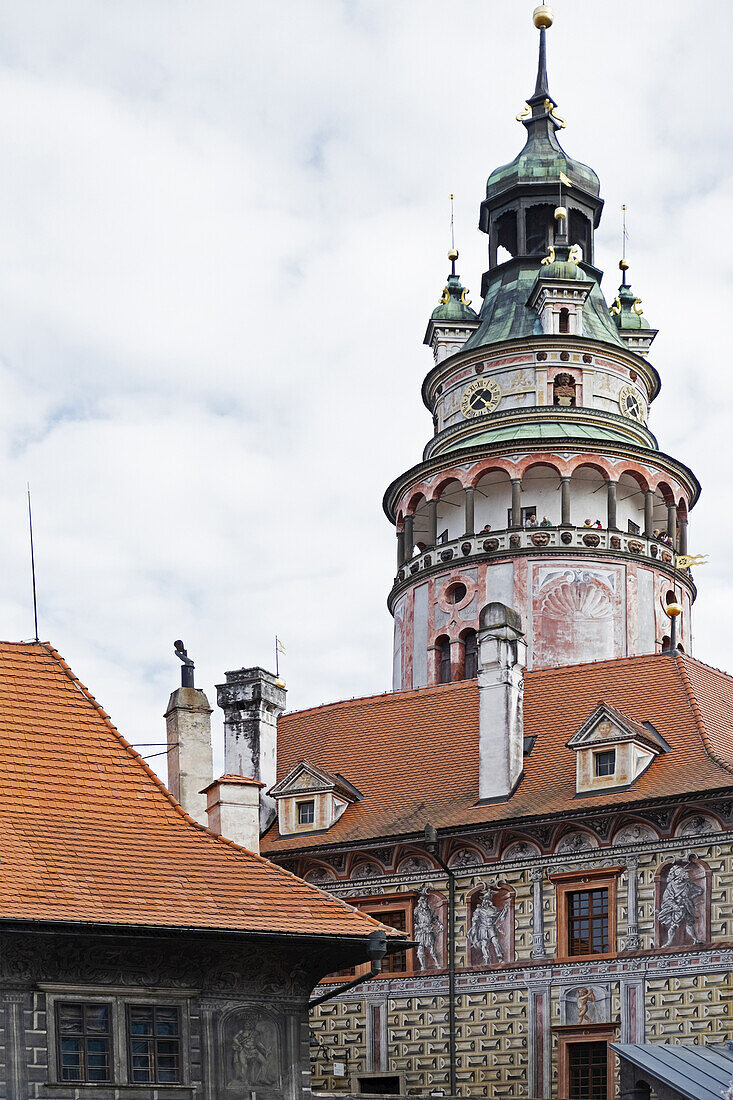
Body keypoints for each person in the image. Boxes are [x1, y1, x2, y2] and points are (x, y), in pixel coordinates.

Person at [656, 861, 703, 946]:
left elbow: (700, 891)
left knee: (689, 924)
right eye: (680, 871)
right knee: (674, 925)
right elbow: (667, 898)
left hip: (687, 906)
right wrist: (675, 906)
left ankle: (695, 939)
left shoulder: (688, 884)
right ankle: (669, 942)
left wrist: (690, 897)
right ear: (676, 874)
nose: (683, 872)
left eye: (683, 871)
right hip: (678, 906)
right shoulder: (671, 885)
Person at [468, 884, 507, 963]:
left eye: (488, 899)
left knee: (495, 942)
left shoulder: (495, 910)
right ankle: (486, 960)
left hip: (491, 927)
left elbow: (501, 918)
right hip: (483, 928)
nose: (487, 901)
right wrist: (473, 930)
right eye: (485, 899)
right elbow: (474, 920)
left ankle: (500, 958)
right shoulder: (479, 910)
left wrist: (505, 911)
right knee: (484, 944)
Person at [413, 886, 443, 969]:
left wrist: (439, 925)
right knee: (420, 949)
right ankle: (423, 966)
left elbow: (434, 919)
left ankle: (437, 964)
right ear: (421, 903)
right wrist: (418, 926)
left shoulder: (430, 910)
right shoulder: (417, 911)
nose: (425, 903)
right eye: (424, 902)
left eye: (426, 901)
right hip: (420, 932)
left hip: (429, 931)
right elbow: (413, 921)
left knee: (432, 948)